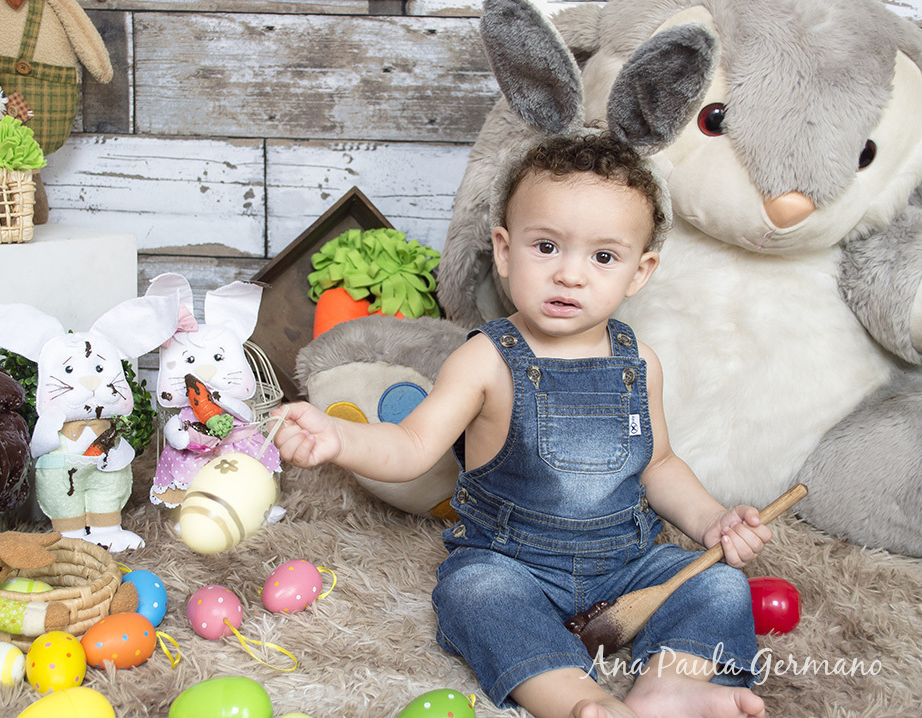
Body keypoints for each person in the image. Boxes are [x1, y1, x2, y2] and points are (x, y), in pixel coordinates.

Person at [271, 131, 771, 718]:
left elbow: (658, 464)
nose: (570, 275)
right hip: (513, 562)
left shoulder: (640, 362)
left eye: (603, 257)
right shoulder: (486, 358)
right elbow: (412, 444)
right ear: (504, 251)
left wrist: (712, 518)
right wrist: (340, 437)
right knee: (472, 595)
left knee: (715, 585)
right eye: (546, 247)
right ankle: (576, 698)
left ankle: (671, 686)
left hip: (627, 560)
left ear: (640, 271)